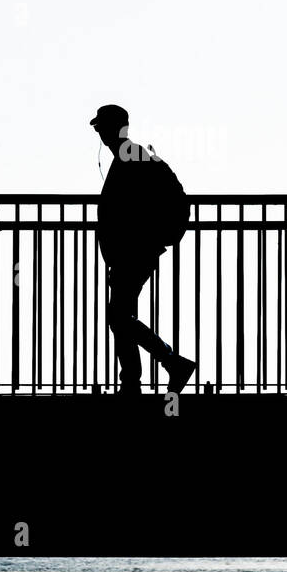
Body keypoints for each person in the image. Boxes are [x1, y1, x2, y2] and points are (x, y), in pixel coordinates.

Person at [90, 104, 197, 396]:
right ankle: (138, 378)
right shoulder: (133, 156)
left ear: (113, 127)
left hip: (134, 251)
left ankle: (165, 366)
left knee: (119, 316)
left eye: (101, 126)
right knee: (122, 315)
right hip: (133, 250)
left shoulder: (132, 158)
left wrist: (140, 241)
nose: (99, 132)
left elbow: (130, 210)